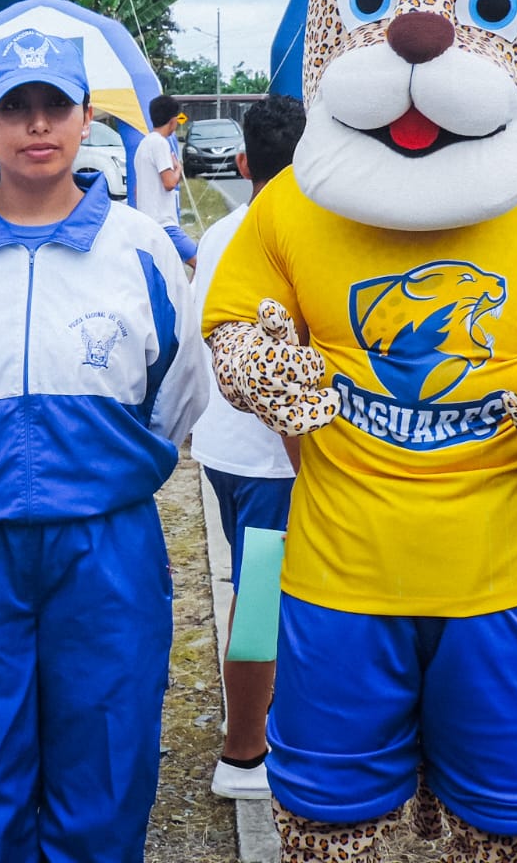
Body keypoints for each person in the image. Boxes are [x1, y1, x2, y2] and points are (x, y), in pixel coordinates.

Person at [0, 31, 209, 862]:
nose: (36, 125)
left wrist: (99, 471)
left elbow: (177, 395)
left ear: (85, 117)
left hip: (107, 545)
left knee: (107, 751)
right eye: (14, 107)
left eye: (55, 105)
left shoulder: (141, 247)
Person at [187, 95, 306, 801]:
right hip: (273, 458)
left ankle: (263, 718)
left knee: (257, 587)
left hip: (224, 448)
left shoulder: (222, 232)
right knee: (261, 597)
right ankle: (243, 754)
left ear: (241, 163)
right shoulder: (297, 236)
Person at [132, 93, 196, 265]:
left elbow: (137, 190)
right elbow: (169, 183)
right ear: (173, 121)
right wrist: (178, 168)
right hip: (165, 225)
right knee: (201, 262)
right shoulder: (160, 143)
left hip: (147, 222)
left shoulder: (143, 145)